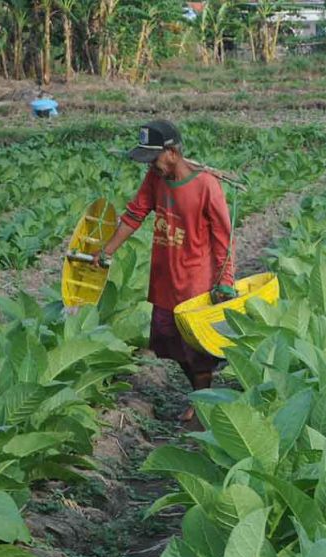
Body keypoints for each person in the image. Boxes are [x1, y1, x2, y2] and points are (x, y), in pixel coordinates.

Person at [98, 120, 236, 428]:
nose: (151, 165)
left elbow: (223, 240)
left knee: (196, 351)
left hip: (195, 282)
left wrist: (224, 281)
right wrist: (108, 250)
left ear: (172, 153)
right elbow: (135, 213)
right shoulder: (155, 179)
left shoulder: (206, 186)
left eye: (154, 158)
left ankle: (202, 405)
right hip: (164, 280)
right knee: (169, 344)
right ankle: (199, 396)